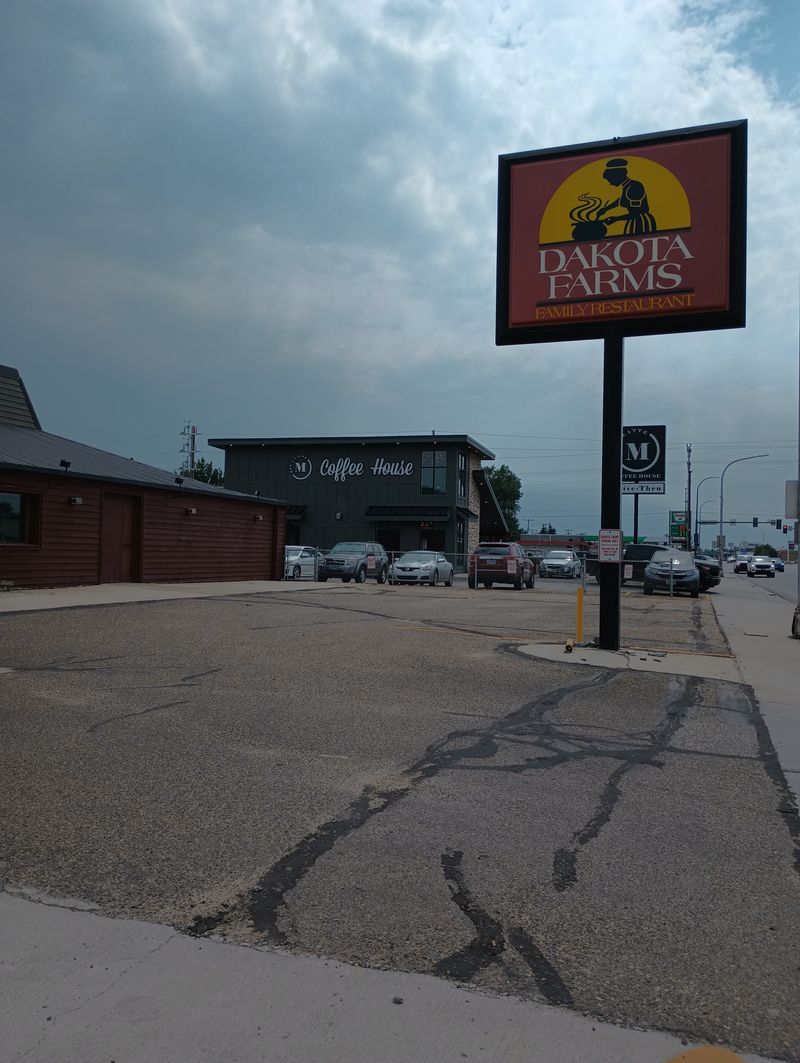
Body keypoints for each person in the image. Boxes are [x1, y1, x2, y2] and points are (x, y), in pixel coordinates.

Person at [596, 157, 657, 235]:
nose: (610, 183)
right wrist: (605, 209)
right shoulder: (626, 186)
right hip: (633, 220)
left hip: (642, 221)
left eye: (610, 179)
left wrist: (616, 219)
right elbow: (621, 200)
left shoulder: (635, 187)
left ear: (618, 175)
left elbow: (636, 213)